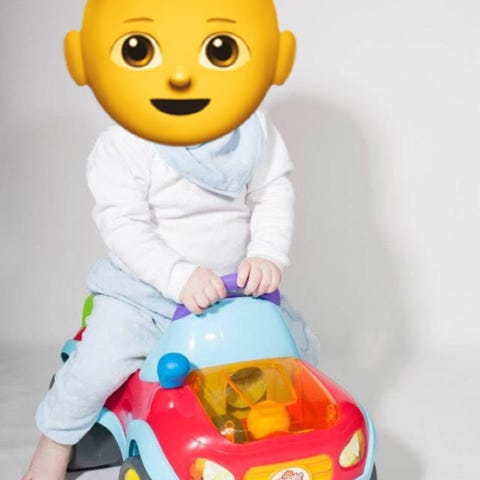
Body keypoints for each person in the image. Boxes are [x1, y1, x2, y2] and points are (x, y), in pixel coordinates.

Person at [23, 0, 319, 478]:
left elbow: (272, 193)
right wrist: (178, 277)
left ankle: (273, 447)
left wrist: (266, 253)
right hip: (144, 297)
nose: (181, 76)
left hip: (233, 293)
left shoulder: (253, 132)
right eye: (141, 51)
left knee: (300, 352)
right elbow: (124, 226)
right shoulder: (125, 143)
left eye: (218, 51)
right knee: (97, 367)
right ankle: (53, 444)